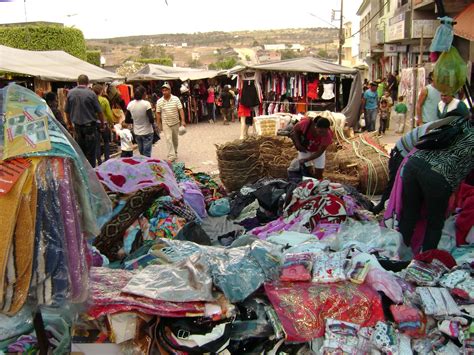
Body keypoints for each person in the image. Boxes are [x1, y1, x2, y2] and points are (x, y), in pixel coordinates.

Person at [399, 115, 474, 252]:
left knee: (409, 216)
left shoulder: (459, 121)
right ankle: (424, 262)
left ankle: (397, 255)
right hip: (439, 175)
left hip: (414, 163)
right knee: (434, 224)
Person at [372, 115, 461, 214]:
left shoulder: (453, 126)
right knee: (394, 184)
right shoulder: (448, 130)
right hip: (403, 151)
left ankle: (387, 208)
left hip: (412, 152)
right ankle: (381, 208)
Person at [64, 74, 104, 167]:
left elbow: (66, 111)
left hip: (77, 127)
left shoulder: (70, 93)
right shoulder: (91, 93)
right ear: (87, 83)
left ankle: (83, 173)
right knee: (91, 153)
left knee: (80, 152)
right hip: (90, 127)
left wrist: (69, 124)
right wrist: (102, 125)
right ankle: (91, 173)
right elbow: (99, 112)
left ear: (78, 82)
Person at [156, 82, 185, 162]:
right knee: (168, 139)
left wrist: (183, 121)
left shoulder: (176, 99)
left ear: (170, 90)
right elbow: (158, 113)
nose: (164, 92)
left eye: (166, 90)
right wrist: (159, 124)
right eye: (163, 90)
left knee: (175, 139)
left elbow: (180, 109)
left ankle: (175, 152)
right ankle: (171, 155)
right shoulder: (159, 101)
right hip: (166, 123)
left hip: (175, 122)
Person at [126, 86, 155, 157]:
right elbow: (151, 119)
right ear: (144, 94)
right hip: (147, 131)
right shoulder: (146, 104)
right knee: (147, 154)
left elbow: (127, 120)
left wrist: (136, 120)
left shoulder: (130, 104)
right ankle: (147, 167)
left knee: (141, 153)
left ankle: (142, 166)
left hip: (137, 132)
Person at [93, 84, 114, 164]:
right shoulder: (104, 100)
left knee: (97, 143)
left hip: (94, 124)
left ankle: (99, 160)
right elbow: (109, 114)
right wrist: (111, 123)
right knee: (106, 142)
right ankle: (107, 159)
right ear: (101, 91)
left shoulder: (91, 99)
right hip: (104, 123)